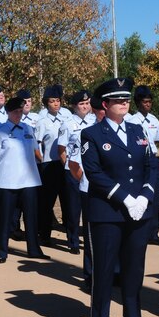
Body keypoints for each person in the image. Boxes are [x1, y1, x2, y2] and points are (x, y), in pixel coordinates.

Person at [81, 78, 157, 317]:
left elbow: (151, 167)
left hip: (138, 211)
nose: (124, 103)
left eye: (126, 99)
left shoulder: (138, 130)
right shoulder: (91, 134)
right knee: (104, 268)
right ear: (106, 104)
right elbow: (94, 173)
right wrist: (125, 198)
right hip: (108, 211)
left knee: (134, 266)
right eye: (117, 100)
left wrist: (145, 196)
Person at [0, 97, 50, 263]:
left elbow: (36, 151)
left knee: (31, 217)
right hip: (8, 181)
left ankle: (34, 249)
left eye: (20, 111)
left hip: (29, 180)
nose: (18, 114)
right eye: (15, 112)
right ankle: (2, 251)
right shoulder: (0, 131)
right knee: (5, 217)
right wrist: (3, 166)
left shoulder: (28, 128)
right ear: (8, 112)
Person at [68, 96, 105, 289]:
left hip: (114, 192)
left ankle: (113, 272)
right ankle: (90, 274)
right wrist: (83, 177)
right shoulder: (87, 132)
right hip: (90, 189)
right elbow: (73, 161)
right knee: (91, 236)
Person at [127, 86, 159, 246]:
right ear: (138, 103)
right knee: (139, 197)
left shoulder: (154, 120)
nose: (148, 105)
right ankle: (139, 231)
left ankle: (153, 233)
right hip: (138, 162)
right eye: (145, 102)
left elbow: (156, 141)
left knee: (155, 198)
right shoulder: (131, 120)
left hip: (152, 160)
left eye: (150, 102)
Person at [57, 90, 95, 254]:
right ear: (74, 106)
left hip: (91, 170)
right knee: (73, 208)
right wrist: (69, 167)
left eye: (87, 103)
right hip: (73, 170)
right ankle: (72, 240)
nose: (85, 106)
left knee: (91, 207)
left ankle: (89, 239)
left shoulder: (95, 121)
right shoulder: (67, 123)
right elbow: (61, 149)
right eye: (81, 104)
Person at [35, 85, 66, 246]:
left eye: (58, 101)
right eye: (52, 101)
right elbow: (37, 144)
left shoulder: (65, 118)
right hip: (49, 164)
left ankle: (70, 235)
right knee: (47, 202)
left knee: (67, 200)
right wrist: (41, 160)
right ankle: (45, 234)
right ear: (46, 103)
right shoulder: (43, 122)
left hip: (64, 163)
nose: (56, 104)